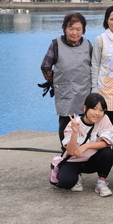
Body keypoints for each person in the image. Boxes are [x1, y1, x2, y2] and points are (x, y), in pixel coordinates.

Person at [40, 12, 92, 147]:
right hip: (65, 91)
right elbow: (45, 66)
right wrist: (55, 82)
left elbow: (95, 65)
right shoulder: (56, 44)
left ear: (83, 30)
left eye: (78, 29)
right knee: (66, 123)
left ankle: (84, 150)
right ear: (64, 28)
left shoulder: (87, 44)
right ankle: (66, 152)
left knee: (87, 121)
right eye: (71, 28)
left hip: (85, 90)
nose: (75, 32)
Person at [56, 93, 113, 197]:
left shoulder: (104, 119)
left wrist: (86, 145)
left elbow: (106, 142)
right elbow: (70, 151)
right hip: (75, 160)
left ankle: (101, 182)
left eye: (101, 110)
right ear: (85, 108)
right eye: (94, 109)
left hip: (92, 159)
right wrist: (74, 132)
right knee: (66, 182)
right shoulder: (74, 123)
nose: (97, 113)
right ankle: (77, 176)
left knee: (108, 152)